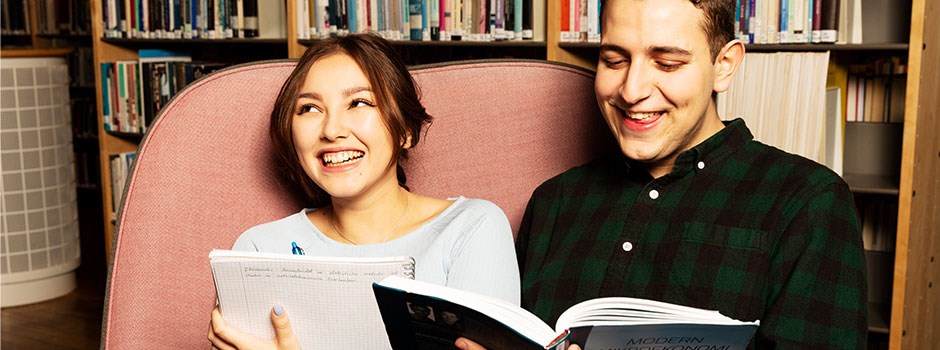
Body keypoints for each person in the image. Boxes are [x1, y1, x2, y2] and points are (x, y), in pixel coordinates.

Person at [458, 0, 868, 349]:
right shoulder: (555, 200)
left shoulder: (807, 201)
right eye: (613, 60)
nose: (632, 90)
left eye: (667, 63)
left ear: (723, 66)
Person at [208, 33, 520, 350]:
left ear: (406, 131)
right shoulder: (257, 252)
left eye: (359, 103)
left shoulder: (471, 229)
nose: (331, 130)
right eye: (310, 108)